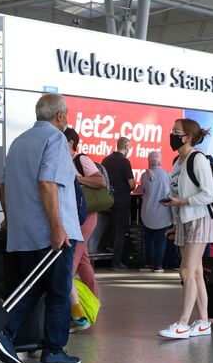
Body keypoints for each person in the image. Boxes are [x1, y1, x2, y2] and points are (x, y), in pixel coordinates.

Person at [0, 94, 82, 363]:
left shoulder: (19, 142)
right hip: (52, 234)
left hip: (23, 235)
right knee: (58, 291)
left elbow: (2, 186)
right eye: (66, 114)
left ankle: (4, 332)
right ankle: (53, 351)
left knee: (31, 287)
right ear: (60, 116)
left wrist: (10, 220)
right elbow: (47, 183)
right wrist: (57, 228)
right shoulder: (55, 141)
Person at [158, 119, 213, 339]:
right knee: (196, 272)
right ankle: (203, 322)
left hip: (199, 218)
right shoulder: (177, 162)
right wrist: (176, 221)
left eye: (177, 132)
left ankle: (183, 323)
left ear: (189, 137)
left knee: (186, 271)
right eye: (172, 130)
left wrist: (181, 202)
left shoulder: (197, 159)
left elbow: (210, 194)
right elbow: (175, 195)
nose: (172, 135)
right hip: (184, 220)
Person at [65, 128, 104, 332]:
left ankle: (77, 313)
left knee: (69, 263)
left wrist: (77, 179)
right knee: (82, 260)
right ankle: (93, 303)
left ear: (71, 142)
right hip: (76, 216)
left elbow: (100, 181)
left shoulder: (81, 159)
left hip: (85, 216)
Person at [101, 136, 136, 270]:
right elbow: (131, 185)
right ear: (126, 147)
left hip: (108, 200)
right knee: (120, 231)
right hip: (122, 201)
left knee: (112, 227)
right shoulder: (124, 162)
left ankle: (107, 245)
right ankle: (116, 262)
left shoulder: (106, 160)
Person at [137, 150, 173, 273]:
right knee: (160, 240)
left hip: (147, 212)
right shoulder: (166, 174)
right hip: (163, 213)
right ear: (160, 160)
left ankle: (148, 263)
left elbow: (142, 191)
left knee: (148, 239)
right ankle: (158, 265)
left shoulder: (144, 175)